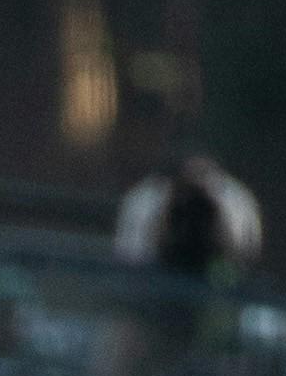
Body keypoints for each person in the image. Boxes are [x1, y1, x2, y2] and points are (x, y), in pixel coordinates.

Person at [112, 98, 265, 278]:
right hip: (156, 283)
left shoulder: (235, 199)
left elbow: (245, 255)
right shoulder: (146, 198)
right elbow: (131, 257)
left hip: (218, 283)